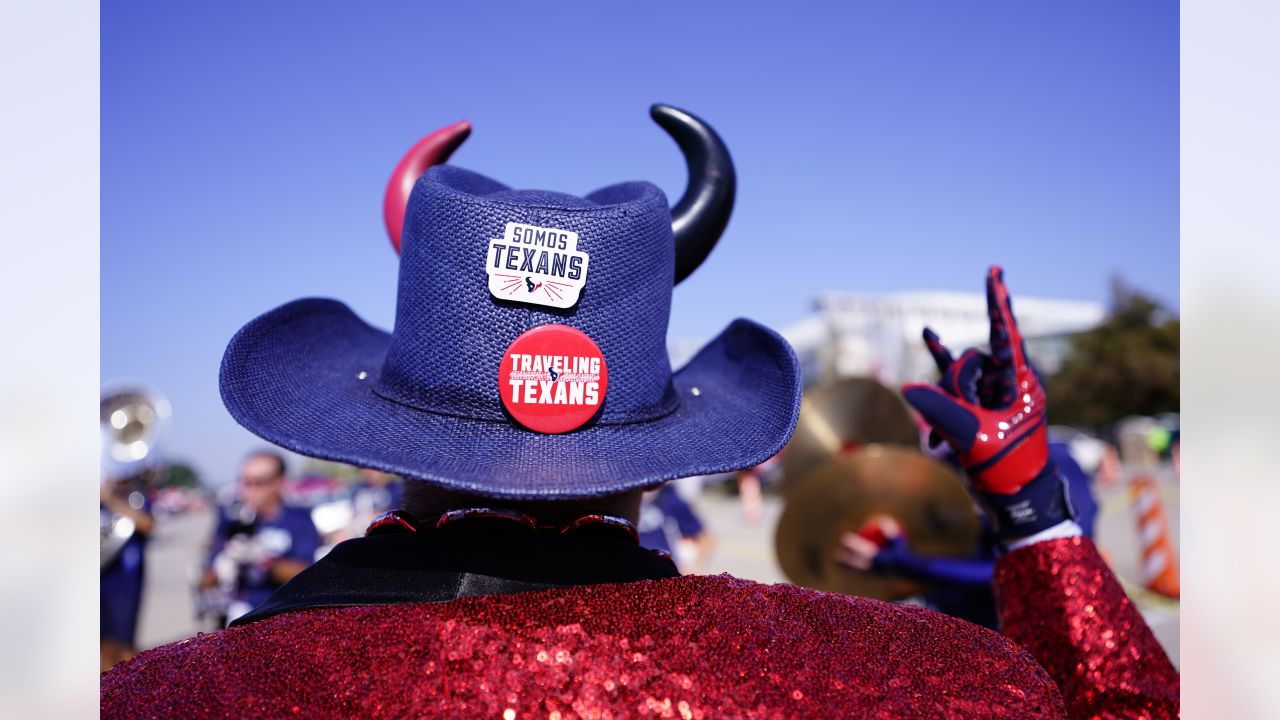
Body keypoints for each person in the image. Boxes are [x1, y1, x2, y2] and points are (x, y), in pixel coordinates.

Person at [102, 108, 1177, 718]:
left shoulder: (171, 698)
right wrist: (1037, 528)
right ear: (663, 453)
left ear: (377, 426)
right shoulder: (921, 680)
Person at [835, 441, 1100, 629]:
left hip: (1020, 637)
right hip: (954, 621)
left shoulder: (1053, 464)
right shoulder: (954, 457)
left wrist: (899, 562)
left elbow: (1019, 570)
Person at [198, 450, 320, 624]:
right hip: (237, 616)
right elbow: (207, 581)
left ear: (279, 483)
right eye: (245, 482)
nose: (248, 490)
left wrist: (264, 560)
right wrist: (220, 565)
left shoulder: (299, 519)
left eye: (258, 483)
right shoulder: (230, 519)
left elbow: (307, 576)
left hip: (282, 617)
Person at [100, 475, 155, 671]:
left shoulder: (136, 497)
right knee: (101, 645)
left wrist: (112, 500)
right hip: (100, 577)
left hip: (126, 581)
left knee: (124, 646)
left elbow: (148, 525)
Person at [637, 484, 715, 574]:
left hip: (665, 573)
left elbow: (705, 537)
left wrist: (693, 567)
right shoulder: (620, 500)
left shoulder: (668, 498)